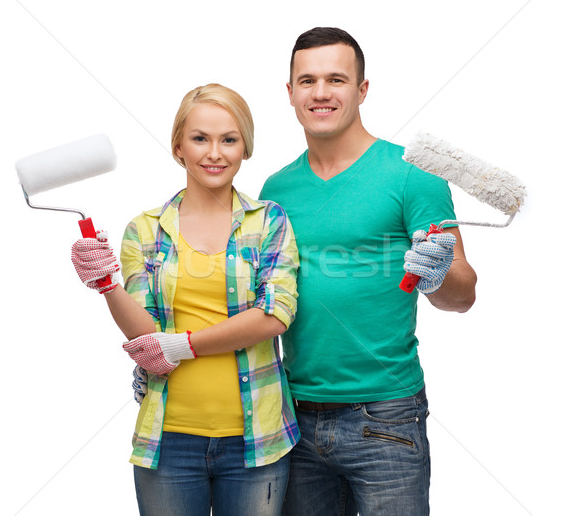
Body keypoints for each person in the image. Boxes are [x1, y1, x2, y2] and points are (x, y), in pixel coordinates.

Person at [259, 27, 477, 516]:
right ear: (290, 93)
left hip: (386, 418)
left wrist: (437, 272)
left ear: (362, 90)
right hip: (292, 414)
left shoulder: (412, 175)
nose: (320, 93)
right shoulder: (276, 188)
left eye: (336, 79)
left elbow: (462, 296)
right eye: (307, 80)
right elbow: (259, 296)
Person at [71, 83, 301, 516]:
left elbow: (275, 314)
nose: (214, 152)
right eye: (200, 138)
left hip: (257, 442)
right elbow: (146, 337)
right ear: (178, 146)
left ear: (244, 148)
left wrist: (182, 345)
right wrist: (106, 284)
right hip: (168, 440)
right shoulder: (145, 230)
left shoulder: (269, 220)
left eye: (228, 139)